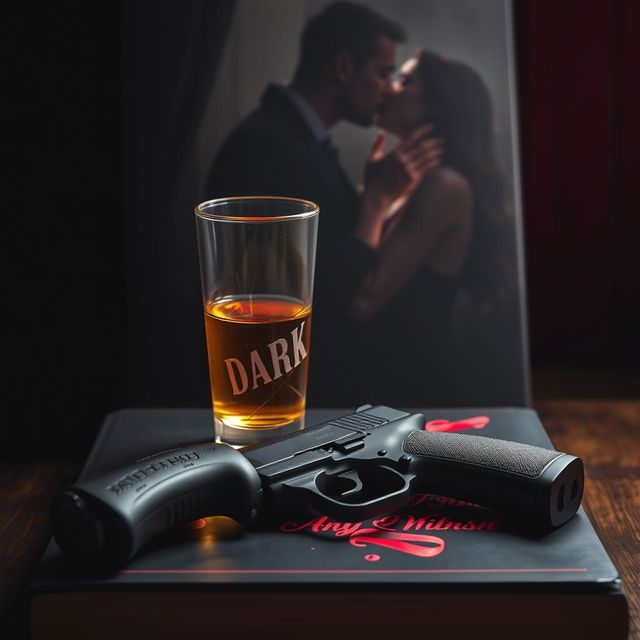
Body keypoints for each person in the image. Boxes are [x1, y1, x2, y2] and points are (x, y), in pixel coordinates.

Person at [206, 2, 443, 406]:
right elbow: (334, 293)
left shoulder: (298, 138)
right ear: (345, 68)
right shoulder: (270, 148)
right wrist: (377, 198)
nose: (389, 88)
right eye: (383, 72)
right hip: (275, 394)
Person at [348, 49, 515, 405]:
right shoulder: (414, 182)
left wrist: (375, 198)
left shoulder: (445, 186)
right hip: (388, 386)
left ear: (438, 106)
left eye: (405, 81)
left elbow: (362, 303)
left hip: (411, 394)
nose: (390, 88)